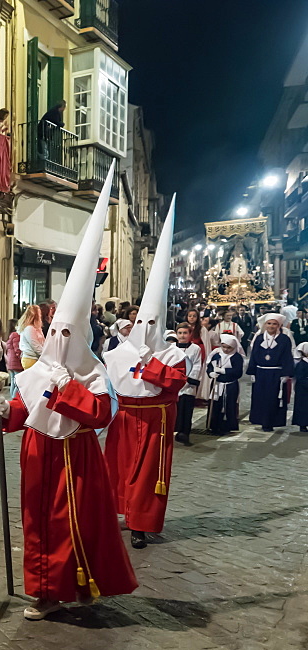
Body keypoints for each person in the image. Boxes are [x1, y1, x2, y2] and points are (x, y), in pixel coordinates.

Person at [0, 165, 136, 620]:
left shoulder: (92, 370)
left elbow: (102, 413)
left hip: (76, 458)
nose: (60, 339)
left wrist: (67, 390)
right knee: (38, 524)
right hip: (39, 455)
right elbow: (24, 406)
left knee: (73, 525)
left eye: (68, 332)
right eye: (56, 330)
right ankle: (42, 589)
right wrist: (2, 409)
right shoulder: (39, 367)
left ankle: (79, 580)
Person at [104, 199, 189, 550]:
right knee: (120, 471)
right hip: (124, 418)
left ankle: (141, 523)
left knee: (145, 477)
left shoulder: (174, 353)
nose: (147, 328)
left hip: (156, 421)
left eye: (153, 323)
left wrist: (149, 365)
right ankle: (120, 514)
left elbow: (173, 384)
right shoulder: (117, 351)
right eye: (142, 322)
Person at [247, 313, 295, 432]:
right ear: (265, 325)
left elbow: (287, 357)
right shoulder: (259, 338)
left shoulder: (284, 339)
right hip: (261, 372)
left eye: (274, 324)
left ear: (279, 325)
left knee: (273, 399)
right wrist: (252, 371)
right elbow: (253, 355)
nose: (271, 326)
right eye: (269, 323)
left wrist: (286, 373)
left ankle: (271, 422)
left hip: (276, 374)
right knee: (260, 398)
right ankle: (261, 420)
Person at [207, 334, 243, 435]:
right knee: (215, 405)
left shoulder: (236, 357)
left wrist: (223, 371)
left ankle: (226, 427)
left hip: (230, 385)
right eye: (224, 347)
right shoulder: (216, 355)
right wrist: (210, 373)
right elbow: (210, 366)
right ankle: (213, 426)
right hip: (217, 384)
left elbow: (238, 372)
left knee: (229, 405)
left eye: (229, 347)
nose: (226, 350)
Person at [173, 323, 203, 446]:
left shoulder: (195, 349)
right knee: (175, 410)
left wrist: (189, 379)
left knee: (186, 410)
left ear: (190, 334)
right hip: (174, 384)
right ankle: (173, 432)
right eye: (180, 333)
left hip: (188, 385)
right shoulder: (171, 347)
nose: (182, 336)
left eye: (185, 333)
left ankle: (184, 434)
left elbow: (196, 365)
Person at [18, 304, 44, 369]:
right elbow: (35, 344)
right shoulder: (29, 328)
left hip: (35, 358)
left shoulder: (36, 328)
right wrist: (45, 354)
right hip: (31, 359)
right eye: (39, 313)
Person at [5, 318, 22, 398]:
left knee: (13, 381)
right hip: (16, 362)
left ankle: (12, 398)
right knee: (18, 383)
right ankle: (14, 398)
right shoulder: (16, 335)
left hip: (10, 362)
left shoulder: (9, 335)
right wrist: (20, 357)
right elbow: (17, 348)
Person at [293, 342, 308, 432]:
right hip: (303, 390)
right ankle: (302, 424)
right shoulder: (301, 364)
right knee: (303, 407)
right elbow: (300, 378)